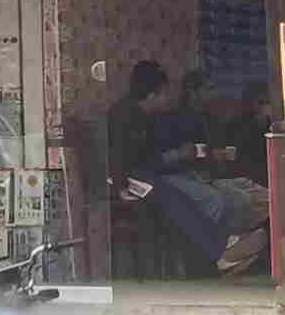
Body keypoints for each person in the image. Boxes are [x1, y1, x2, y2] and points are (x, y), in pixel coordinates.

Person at [108, 61, 267, 275]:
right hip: (127, 177)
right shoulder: (123, 115)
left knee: (181, 194)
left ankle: (223, 247)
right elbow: (119, 159)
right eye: (165, 93)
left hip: (145, 174)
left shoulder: (145, 116)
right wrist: (120, 188)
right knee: (171, 196)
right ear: (153, 94)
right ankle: (220, 251)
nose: (168, 98)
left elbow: (151, 158)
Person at [224, 81, 272, 186]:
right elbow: (235, 151)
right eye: (261, 102)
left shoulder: (271, 123)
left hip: (266, 175)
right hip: (244, 176)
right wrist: (257, 123)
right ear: (250, 102)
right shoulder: (237, 123)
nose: (265, 107)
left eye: (267, 102)